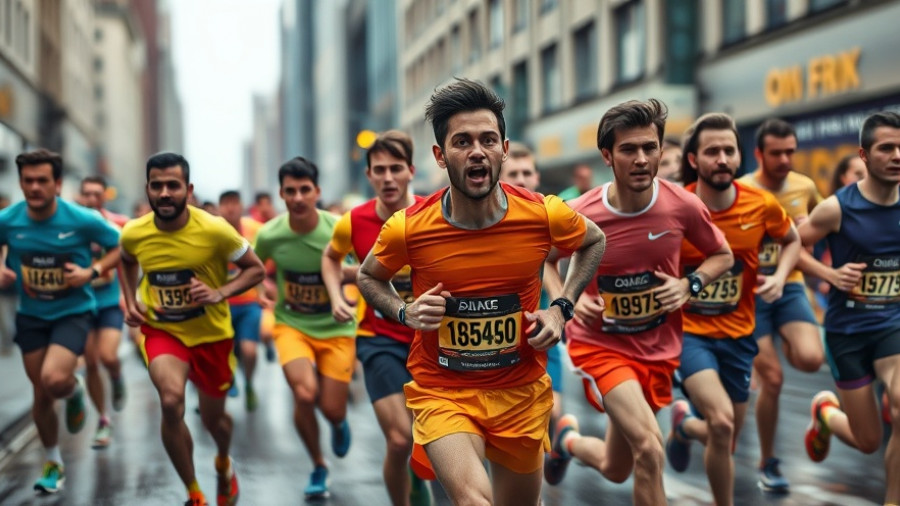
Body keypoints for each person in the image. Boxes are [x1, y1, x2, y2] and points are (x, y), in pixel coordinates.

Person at [357, 78, 605, 506]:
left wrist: (561, 308)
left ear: (503, 150)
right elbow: (368, 276)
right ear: (440, 155)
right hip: (443, 391)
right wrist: (405, 313)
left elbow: (594, 241)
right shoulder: (409, 227)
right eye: (462, 141)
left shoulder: (543, 214)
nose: (477, 151)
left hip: (520, 393)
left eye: (488, 139)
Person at [542, 99, 734, 506]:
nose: (642, 159)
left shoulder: (682, 205)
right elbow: (547, 262)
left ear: (662, 151)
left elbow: (723, 255)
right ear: (607, 156)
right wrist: (565, 300)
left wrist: (689, 285)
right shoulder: (581, 213)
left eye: (650, 147)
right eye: (629, 149)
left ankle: (567, 441)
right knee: (650, 447)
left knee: (618, 466)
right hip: (601, 346)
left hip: (657, 348)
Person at [664, 114, 799, 505]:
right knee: (722, 423)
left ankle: (685, 427)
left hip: (740, 334)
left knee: (727, 434)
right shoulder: (675, 208)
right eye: (712, 151)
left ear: (740, 156)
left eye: (729, 150)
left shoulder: (761, 204)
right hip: (689, 335)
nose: (722, 158)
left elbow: (791, 240)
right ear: (694, 160)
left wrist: (780, 277)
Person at [119, 152, 265, 506]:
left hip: (212, 336)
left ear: (189, 189)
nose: (165, 193)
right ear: (148, 189)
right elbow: (125, 261)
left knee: (216, 423)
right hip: (163, 331)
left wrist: (219, 292)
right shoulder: (135, 232)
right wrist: (131, 300)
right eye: (157, 186)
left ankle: (223, 462)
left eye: (173, 185)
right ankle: (194, 492)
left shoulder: (214, 230)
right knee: (171, 401)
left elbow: (255, 269)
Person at [0, 149, 121, 494]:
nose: (35, 187)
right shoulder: (9, 220)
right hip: (32, 316)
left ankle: (74, 388)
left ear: (57, 184)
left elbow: (120, 246)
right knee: (41, 393)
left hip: (73, 313)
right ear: (21, 183)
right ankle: (53, 462)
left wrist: (92, 271)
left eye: (42, 181)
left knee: (54, 379)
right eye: (28, 181)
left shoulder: (82, 220)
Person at [322, 130, 432, 506]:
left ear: (410, 171)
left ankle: (420, 473)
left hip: (432, 339)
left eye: (396, 168)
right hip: (379, 338)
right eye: (379, 170)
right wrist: (338, 294)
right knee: (400, 438)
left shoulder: (433, 214)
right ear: (368, 175)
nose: (388, 177)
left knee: (435, 435)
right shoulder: (353, 221)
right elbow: (330, 257)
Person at [799, 111, 900, 506]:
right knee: (868, 439)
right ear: (864, 153)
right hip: (848, 334)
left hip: (892, 324)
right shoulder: (836, 208)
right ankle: (826, 414)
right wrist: (829, 272)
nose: (896, 156)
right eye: (886, 148)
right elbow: (792, 245)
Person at [253, 157, 358, 499]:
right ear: (281, 194)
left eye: (304, 190)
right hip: (291, 324)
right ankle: (318, 464)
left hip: (336, 328)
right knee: (303, 393)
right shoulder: (270, 234)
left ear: (317, 192)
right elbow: (252, 266)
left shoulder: (339, 228)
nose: (297, 198)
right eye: (290, 191)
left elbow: (364, 270)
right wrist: (260, 292)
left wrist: (347, 293)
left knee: (331, 408)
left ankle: (339, 422)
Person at [738, 118, 826, 490]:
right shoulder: (741, 190)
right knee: (773, 379)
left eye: (791, 151)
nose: (786, 159)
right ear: (759, 154)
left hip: (788, 285)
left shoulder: (804, 186)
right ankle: (768, 461)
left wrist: (826, 269)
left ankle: (818, 408)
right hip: (750, 293)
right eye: (777, 153)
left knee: (810, 359)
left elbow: (825, 226)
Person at [499, 142, 566, 428]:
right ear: (499, 178)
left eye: (527, 172)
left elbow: (551, 263)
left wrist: (562, 306)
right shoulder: (485, 220)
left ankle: (562, 445)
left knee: (552, 413)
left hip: (539, 336)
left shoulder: (551, 216)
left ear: (537, 177)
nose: (521, 179)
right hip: (495, 343)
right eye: (513, 173)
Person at [79, 176, 129, 449]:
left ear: (104, 197)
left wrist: (129, 294)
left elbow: (131, 258)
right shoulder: (73, 224)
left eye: (96, 194)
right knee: (90, 363)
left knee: (108, 356)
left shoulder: (118, 224)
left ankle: (117, 376)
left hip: (110, 301)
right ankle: (103, 419)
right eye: (86, 194)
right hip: (82, 303)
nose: (91, 199)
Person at [218, 190, 264, 411]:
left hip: (249, 303)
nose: (230, 208)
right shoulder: (212, 232)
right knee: (223, 350)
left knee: (249, 350)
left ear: (242, 205)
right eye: (226, 204)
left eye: (234, 203)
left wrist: (265, 290)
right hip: (221, 304)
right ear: (219, 207)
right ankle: (230, 377)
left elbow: (264, 263)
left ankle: (249, 383)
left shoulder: (255, 230)